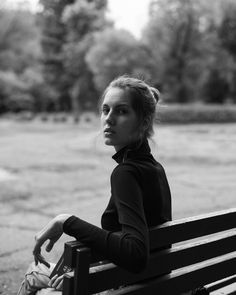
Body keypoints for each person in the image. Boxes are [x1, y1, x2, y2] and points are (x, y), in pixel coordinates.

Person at [17, 75, 172, 295]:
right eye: (105, 110)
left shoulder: (126, 173)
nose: (108, 119)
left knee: (35, 277)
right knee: (37, 272)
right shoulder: (154, 168)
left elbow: (135, 255)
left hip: (124, 287)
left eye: (121, 111)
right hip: (151, 285)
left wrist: (66, 222)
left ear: (144, 121)